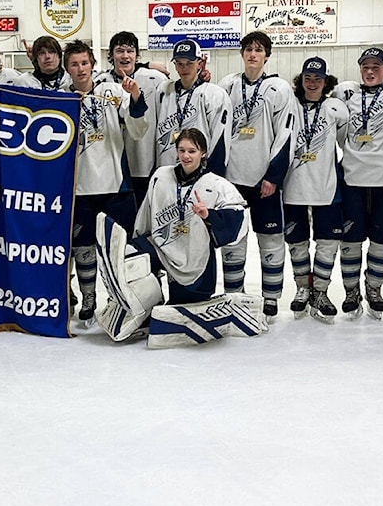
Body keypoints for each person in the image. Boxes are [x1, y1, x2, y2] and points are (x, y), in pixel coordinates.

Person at [62, 39, 149, 323]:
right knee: (83, 248)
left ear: (93, 64)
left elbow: (137, 128)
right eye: (74, 64)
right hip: (79, 187)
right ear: (67, 69)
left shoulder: (112, 91)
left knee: (121, 249)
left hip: (116, 186)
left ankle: (123, 299)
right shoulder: (61, 99)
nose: (80, 69)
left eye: (84, 63)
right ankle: (89, 299)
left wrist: (135, 97)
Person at [218, 31, 294, 320]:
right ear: (241, 53)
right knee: (233, 239)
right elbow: (217, 131)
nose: (252, 54)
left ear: (267, 55)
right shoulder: (228, 85)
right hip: (232, 179)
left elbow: (286, 133)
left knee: (270, 239)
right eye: (248, 49)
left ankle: (271, 298)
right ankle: (234, 295)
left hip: (264, 179)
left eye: (258, 50)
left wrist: (274, 176)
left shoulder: (278, 88)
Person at [330, 48, 383, 319]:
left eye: (376, 66)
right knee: (350, 241)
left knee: (380, 242)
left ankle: (374, 288)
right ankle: (352, 291)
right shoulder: (346, 93)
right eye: (365, 67)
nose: (370, 71)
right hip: (352, 179)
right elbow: (313, 91)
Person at [131, 128, 247, 304]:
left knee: (182, 306)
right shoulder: (161, 176)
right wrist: (138, 240)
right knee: (130, 255)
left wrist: (210, 215)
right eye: (182, 150)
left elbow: (238, 218)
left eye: (192, 151)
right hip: (161, 249)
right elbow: (146, 213)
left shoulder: (216, 184)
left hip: (193, 260)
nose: (186, 156)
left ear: (203, 153)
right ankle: (149, 302)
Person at [282, 57, 349, 323]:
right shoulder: (290, 105)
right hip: (293, 186)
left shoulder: (335, 108)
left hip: (326, 187)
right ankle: (302, 288)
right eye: (308, 78)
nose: (312, 83)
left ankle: (320, 291)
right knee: (297, 243)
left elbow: (348, 145)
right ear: (301, 80)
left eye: (317, 79)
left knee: (327, 243)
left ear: (326, 81)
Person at [93, 31, 167, 209]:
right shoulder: (100, 82)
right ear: (110, 55)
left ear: (137, 55)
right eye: (119, 51)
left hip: (144, 161)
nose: (125, 55)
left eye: (130, 50)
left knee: (143, 215)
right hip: (110, 165)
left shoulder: (155, 79)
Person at [155, 39, 231, 176]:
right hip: (168, 170)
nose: (184, 68)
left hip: (200, 172)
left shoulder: (214, 94)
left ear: (199, 64)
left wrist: (213, 175)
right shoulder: (164, 90)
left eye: (189, 63)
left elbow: (220, 139)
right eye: (179, 63)